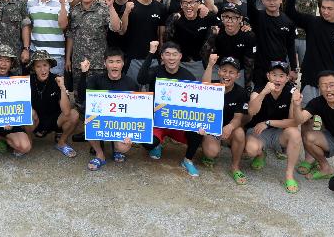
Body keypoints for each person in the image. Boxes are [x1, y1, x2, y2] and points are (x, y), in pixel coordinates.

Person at [137, 41, 202, 177]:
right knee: (147, 142)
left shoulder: (188, 76)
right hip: (159, 120)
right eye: (167, 54)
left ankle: (187, 160)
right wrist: (151, 53)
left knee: (197, 131)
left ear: (180, 56)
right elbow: (141, 79)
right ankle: (157, 144)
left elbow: (193, 104)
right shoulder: (156, 71)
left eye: (174, 54)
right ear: (162, 57)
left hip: (178, 122)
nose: (171, 58)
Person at [244, 61, 302, 194]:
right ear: (268, 76)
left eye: (281, 76)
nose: (277, 79)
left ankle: (289, 175)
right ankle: (261, 153)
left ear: (287, 78)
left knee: (295, 134)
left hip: (278, 132)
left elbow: (294, 122)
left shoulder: (292, 91)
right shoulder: (259, 88)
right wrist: (264, 93)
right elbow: (251, 111)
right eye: (274, 75)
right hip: (257, 131)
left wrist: (269, 122)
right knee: (251, 150)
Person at [78, 49, 136, 171]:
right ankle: (100, 154)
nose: (114, 65)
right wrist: (84, 73)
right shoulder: (96, 79)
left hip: (120, 122)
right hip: (101, 121)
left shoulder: (130, 83)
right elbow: (82, 96)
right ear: (105, 63)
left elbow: (137, 108)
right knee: (88, 121)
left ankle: (116, 149)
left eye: (118, 62)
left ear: (123, 63)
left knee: (123, 148)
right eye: (111, 62)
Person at [66, 0, 124, 92]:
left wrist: (111, 6)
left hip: (99, 65)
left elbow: (117, 28)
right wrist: (68, 58)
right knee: (80, 98)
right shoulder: (74, 11)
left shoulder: (103, 8)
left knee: (99, 98)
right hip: (79, 63)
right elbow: (71, 35)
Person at [201, 54, 250, 185]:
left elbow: (238, 118)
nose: (227, 75)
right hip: (211, 129)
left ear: (237, 75)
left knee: (239, 132)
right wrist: (210, 65)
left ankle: (235, 167)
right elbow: (204, 86)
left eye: (231, 72)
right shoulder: (213, 86)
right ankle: (207, 151)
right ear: (219, 72)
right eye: (224, 70)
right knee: (212, 153)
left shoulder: (242, 93)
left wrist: (230, 126)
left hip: (228, 130)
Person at [25, 50, 78, 158]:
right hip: (34, 119)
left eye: (45, 65)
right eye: (38, 66)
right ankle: (29, 139)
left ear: (49, 66)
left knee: (74, 114)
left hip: (54, 120)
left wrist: (62, 88)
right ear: (33, 68)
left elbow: (67, 111)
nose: (43, 69)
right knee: (28, 112)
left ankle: (61, 142)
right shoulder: (26, 81)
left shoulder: (57, 80)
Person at [246, 0, 297, 89]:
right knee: (259, 95)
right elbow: (250, 10)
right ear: (263, 0)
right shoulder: (258, 17)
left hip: (280, 68)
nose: (272, 2)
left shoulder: (288, 22)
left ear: (281, 0)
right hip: (261, 67)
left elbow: (291, 46)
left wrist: (293, 69)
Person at [163, 0, 217, 79]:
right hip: (179, 63)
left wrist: (244, 25)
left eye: (192, 2)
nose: (188, 6)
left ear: (199, 3)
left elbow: (224, 25)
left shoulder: (207, 17)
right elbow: (167, 40)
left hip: (200, 64)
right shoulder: (175, 18)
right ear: (181, 4)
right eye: (185, 2)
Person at [201, 2, 256, 86]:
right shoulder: (215, 30)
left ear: (240, 19)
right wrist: (212, 36)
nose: (229, 21)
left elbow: (249, 62)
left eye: (234, 17)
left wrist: (247, 84)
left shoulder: (248, 34)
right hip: (218, 67)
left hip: (238, 70)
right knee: (209, 88)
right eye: (226, 17)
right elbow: (204, 52)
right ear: (222, 18)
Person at [26, 0, 69, 75]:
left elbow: (63, 25)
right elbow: (28, 26)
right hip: (36, 53)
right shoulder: (30, 2)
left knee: (57, 87)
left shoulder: (62, 1)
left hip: (56, 54)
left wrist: (62, 4)